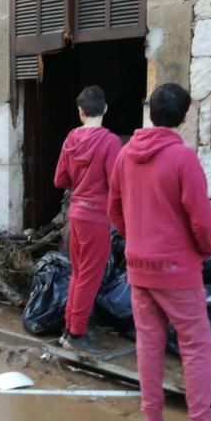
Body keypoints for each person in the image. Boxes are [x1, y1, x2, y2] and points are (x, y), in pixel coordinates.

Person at [108, 83, 211, 421]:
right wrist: (203, 250)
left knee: (148, 345)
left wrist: (134, 239)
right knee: (197, 347)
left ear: (150, 112)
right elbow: (202, 220)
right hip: (177, 271)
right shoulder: (183, 159)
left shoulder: (125, 156)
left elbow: (114, 210)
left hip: (139, 268)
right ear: (185, 118)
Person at [53, 85, 122, 353]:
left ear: (80, 112)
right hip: (96, 218)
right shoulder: (110, 142)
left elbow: (60, 179)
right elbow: (116, 183)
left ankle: (69, 329)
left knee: (78, 274)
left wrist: (79, 181)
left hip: (75, 214)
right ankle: (77, 335)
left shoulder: (70, 139)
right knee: (89, 277)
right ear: (105, 109)